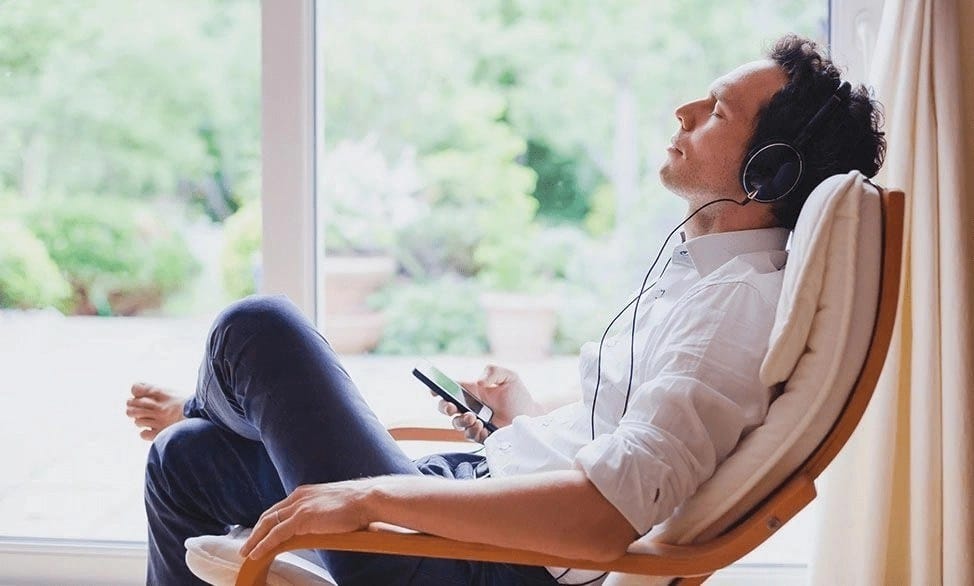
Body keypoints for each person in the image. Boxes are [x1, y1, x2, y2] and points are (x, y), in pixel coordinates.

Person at [126, 35, 885, 585]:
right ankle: (209, 418)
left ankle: (211, 405)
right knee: (184, 462)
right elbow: (625, 450)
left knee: (256, 329)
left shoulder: (733, 309)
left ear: (769, 171)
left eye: (718, 110)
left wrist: (374, 493)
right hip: (472, 495)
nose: (684, 111)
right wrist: (519, 415)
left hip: (476, 563)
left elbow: (600, 519)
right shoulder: (701, 281)